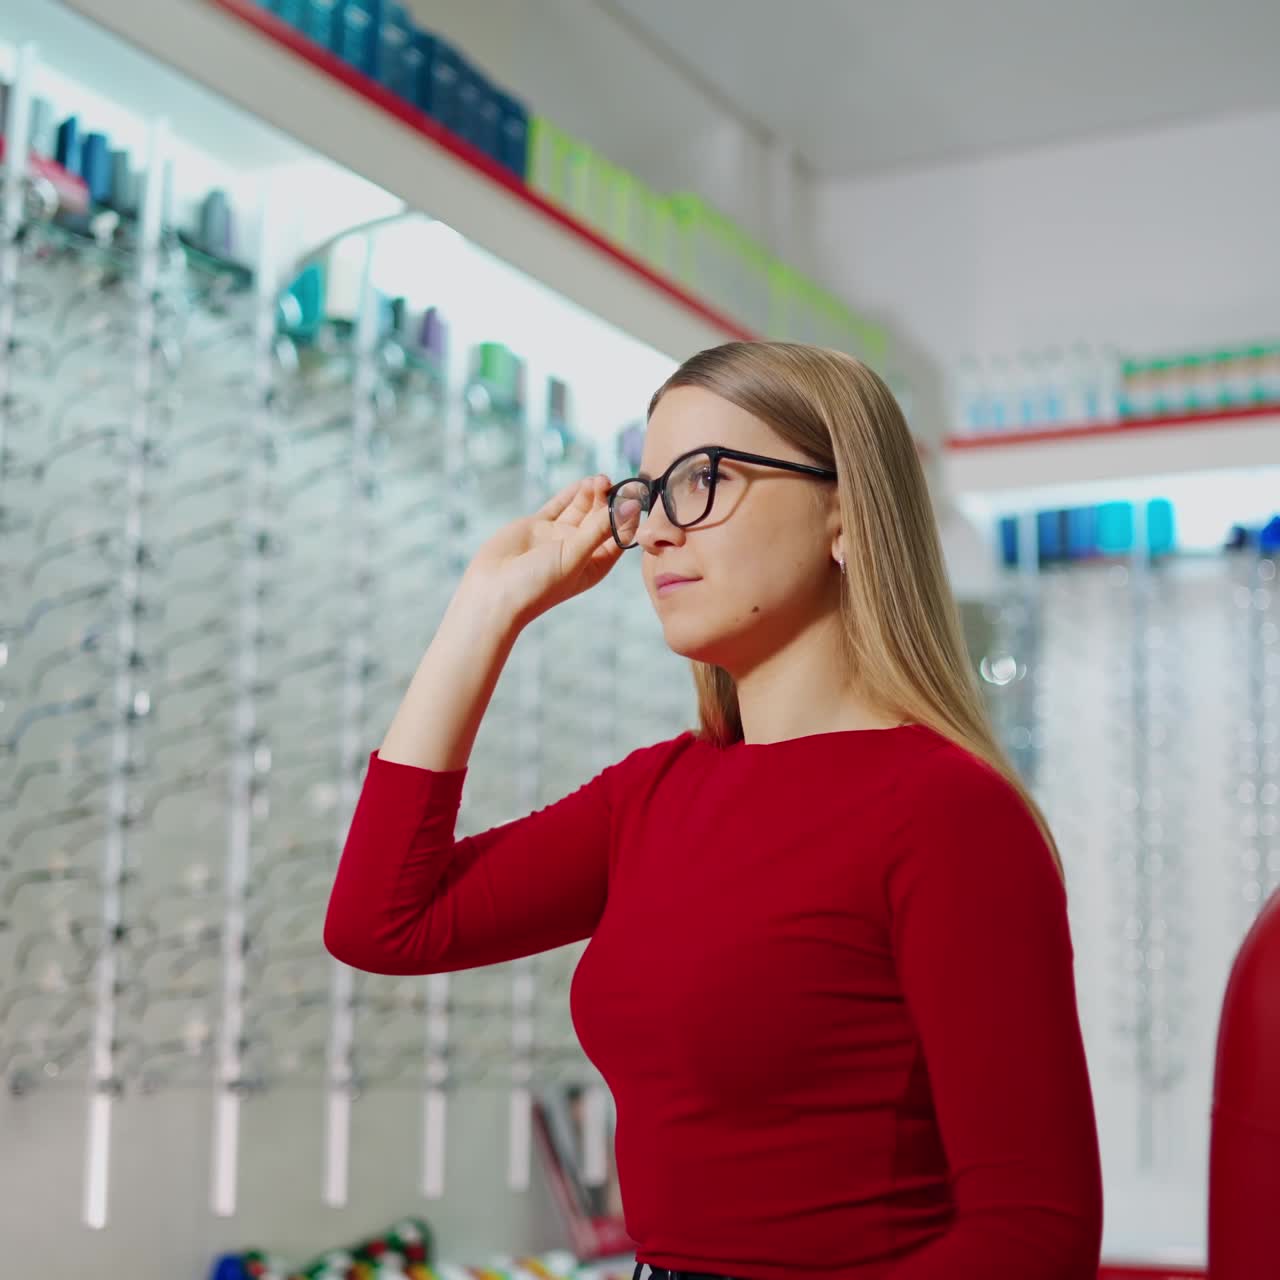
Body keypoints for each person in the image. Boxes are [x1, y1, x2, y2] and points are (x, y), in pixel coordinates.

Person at [324, 342, 1104, 1280]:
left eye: (702, 480)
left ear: (843, 508)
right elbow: (383, 924)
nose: (655, 532)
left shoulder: (949, 814)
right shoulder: (654, 794)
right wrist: (484, 612)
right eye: (649, 493)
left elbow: (1032, 1235)